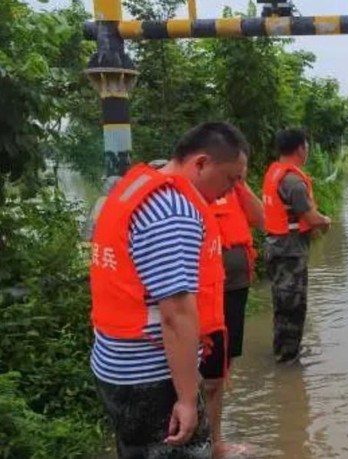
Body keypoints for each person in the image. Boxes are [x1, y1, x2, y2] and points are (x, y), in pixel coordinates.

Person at [89, 121, 249, 458]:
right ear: (202, 163)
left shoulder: (136, 186)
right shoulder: (173, 212)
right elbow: (176, 314)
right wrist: (188, 399)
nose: (231, 190)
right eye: (231, 178)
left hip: (115, 365)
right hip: (150, 375)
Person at [202, 169, 264, 457]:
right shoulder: (192, 195)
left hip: (235, 290)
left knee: (223, 368)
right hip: (205, 294)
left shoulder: (235, 191)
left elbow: (260, 218)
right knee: (208, 375)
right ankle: (201, 441)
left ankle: (215, 442)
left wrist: (238, 183)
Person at [263, 128, 331, 364]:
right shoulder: (294, 182)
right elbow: (311, 218)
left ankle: (282, 350)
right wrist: (325, 221)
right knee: (293, 306)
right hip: (290, 253)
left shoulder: (274, 174)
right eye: (307, 147)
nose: (308, 152)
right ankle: (288, 361)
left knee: (281, 304)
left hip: (275, 247)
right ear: (300, 149)